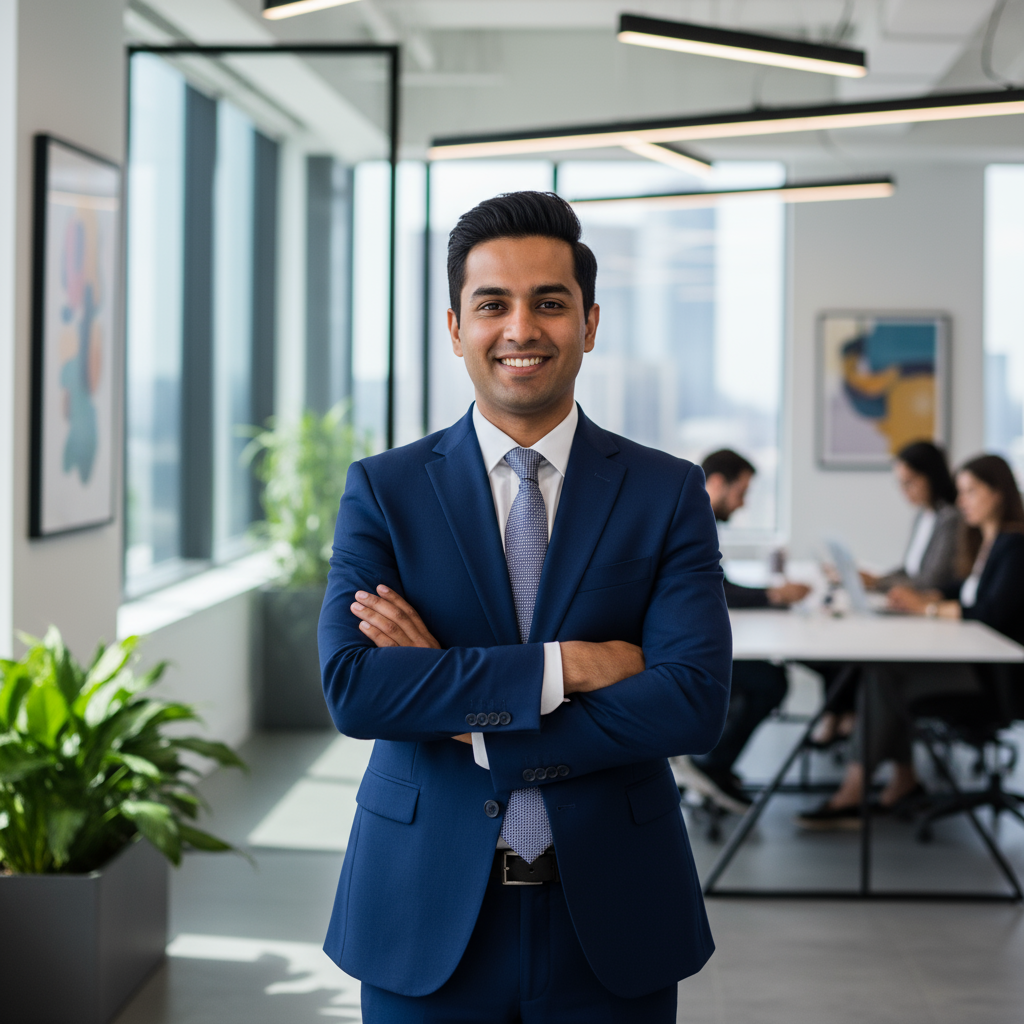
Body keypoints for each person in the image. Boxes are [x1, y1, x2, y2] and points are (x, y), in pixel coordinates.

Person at [317, 191, 732, 1022]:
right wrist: (566, 667)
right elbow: (357, 689)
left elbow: (691, 703)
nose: (521, 329)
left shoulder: (666, 491)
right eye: (492, 304)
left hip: (615, 910)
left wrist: (459, 704)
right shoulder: (386, 491)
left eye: (550, 303)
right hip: (421, 907)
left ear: (589, 321)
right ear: (454, 326)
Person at [797, 453, 1024, 830]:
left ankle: (855, 790)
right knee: (883, 671)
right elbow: (963, 590)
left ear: (998, 494)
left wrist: (930, 609)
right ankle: (902, 780)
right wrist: (927, 597)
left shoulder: (1014, 546)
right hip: (975, 664)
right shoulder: (986, 543)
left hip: (997, 679)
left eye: (970, 491)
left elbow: (990, 612)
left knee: (883, 676)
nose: (962, 499)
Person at [672, 449, 810, 814]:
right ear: (717, 483)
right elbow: (715, 587)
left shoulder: (690, 513)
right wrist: (774, 594)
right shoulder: (689, 517)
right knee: (770, 680)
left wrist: (772, 596)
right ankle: (710, 765)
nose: (744, 504)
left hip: (683, 637)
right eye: (741, 492)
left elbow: (720, 583)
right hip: (677, 648)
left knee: (763, 676)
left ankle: (715, 763)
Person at [811, 440, 962, 748]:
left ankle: (848, 724)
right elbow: (909, 571)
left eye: (910, 482)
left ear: (931, 476)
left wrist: (878, 583)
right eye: (901, 484)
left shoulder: (950, 519)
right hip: (916, 610)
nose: (905, 491)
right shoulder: (924, 516)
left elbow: (929, 580)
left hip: (932, 620)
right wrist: (872, 579)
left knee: (872, 662)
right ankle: (842, 718)